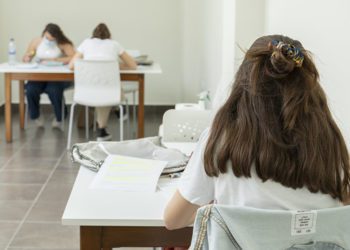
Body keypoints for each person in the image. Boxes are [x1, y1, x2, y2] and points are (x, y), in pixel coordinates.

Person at [164, 35, 350, 230]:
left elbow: (172, 220)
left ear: (244, 82)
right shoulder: (330, 143)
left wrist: (214, 210)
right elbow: (342, 211)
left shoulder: (220, 139)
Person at [69, 23, 137, 141]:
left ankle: (103, 129)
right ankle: (111, 115)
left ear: (93, 35)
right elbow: (133, 65)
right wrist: (114, 66)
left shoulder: (86, 43)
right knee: (108, 91)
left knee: (100, 92)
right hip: (110, 92)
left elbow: (71, 65)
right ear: (109, 36)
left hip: (86, 92)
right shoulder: (114, 44)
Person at [23, 23, 75, 128]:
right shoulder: (36, 42)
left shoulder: (63, 43)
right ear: (44, 34)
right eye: (47, 38)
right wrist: (27, 58)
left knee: (53, 90)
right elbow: (26, 56)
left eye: (52, 39)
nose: (49, 41)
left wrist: (55, 60)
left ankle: (60, 117)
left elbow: (74, 57)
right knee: (31, 89)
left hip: (57, 78)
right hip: (39, 76)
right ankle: (35, 115)